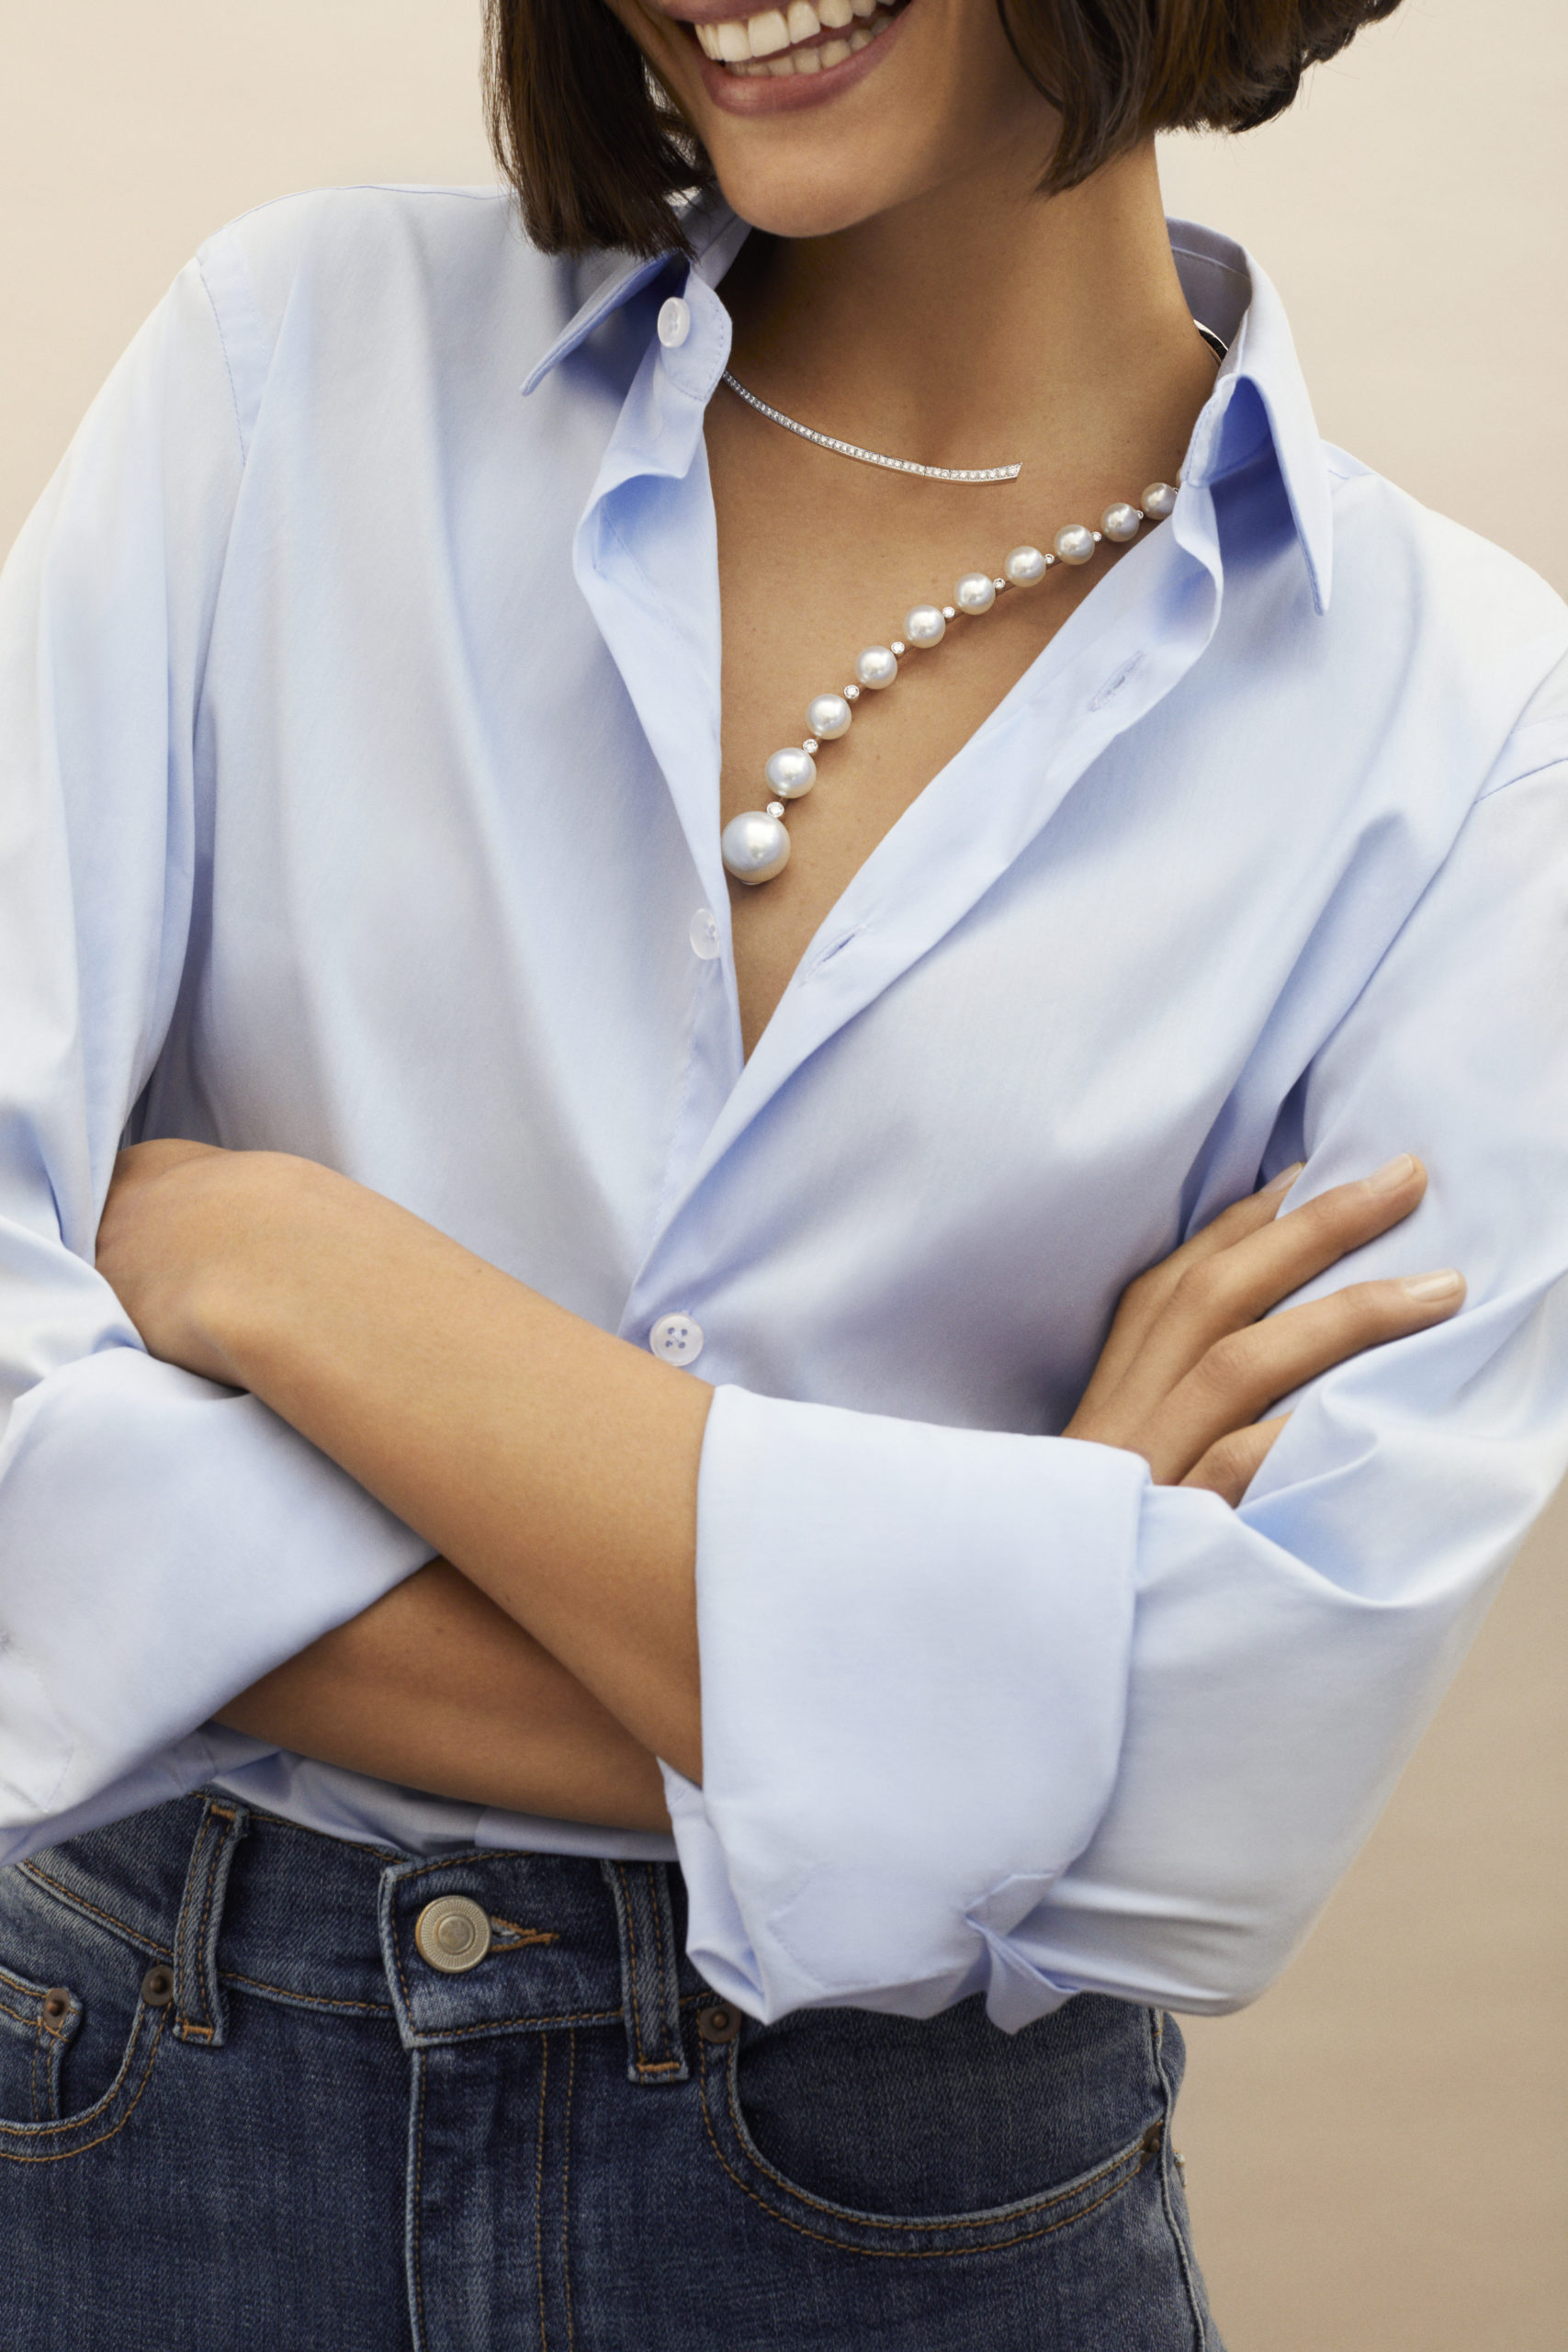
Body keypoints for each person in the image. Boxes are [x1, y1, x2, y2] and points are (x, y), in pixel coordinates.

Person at [1, 0, 1564, 2342]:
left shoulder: (1471, 742)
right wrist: (989, 1635)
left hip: (899, 2218)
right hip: (120, 2144)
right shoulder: (291, 369)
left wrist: (292, 1264)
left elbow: (1207, 1814)